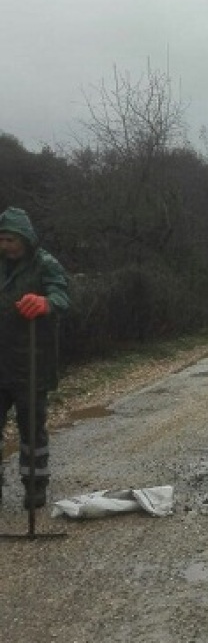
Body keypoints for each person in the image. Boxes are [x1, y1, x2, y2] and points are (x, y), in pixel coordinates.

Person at [0, 207, 70, 509]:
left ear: (25, 239)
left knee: (31, 429)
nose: (4, 245)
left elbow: (62, 295)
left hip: (31, 362)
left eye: (10, 240)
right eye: (1, 239)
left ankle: (35, 486)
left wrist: (46, 302)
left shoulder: (45, 264)